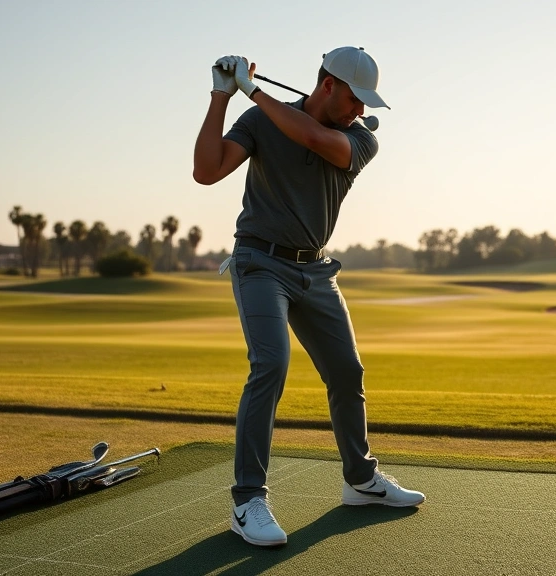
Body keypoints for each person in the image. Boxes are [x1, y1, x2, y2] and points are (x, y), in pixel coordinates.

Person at [192, 47, 425, 547]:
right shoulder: (259, 119)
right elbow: (207, 171)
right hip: (259, 262)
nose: (360, 111)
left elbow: (317, 138)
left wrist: (252, 90)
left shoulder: (358, 140)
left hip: (316, 270)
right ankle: (247, 501)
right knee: (271, 365)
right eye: (355, 99)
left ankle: (361, 481)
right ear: (327, 85)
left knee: (347, 371)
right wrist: (220, 97)